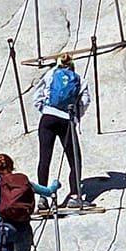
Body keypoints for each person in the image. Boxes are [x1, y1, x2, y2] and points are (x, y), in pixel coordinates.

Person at [36, 54, 85, 199]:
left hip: (47, 118)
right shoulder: (79, 79)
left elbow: (37, 97)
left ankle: (42, 197)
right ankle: (75, 195)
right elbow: (85, 102)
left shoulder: (50, 74)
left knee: (44, 158)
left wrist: (45, 110)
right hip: (66, 120)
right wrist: (75, 117)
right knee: (74, 158)